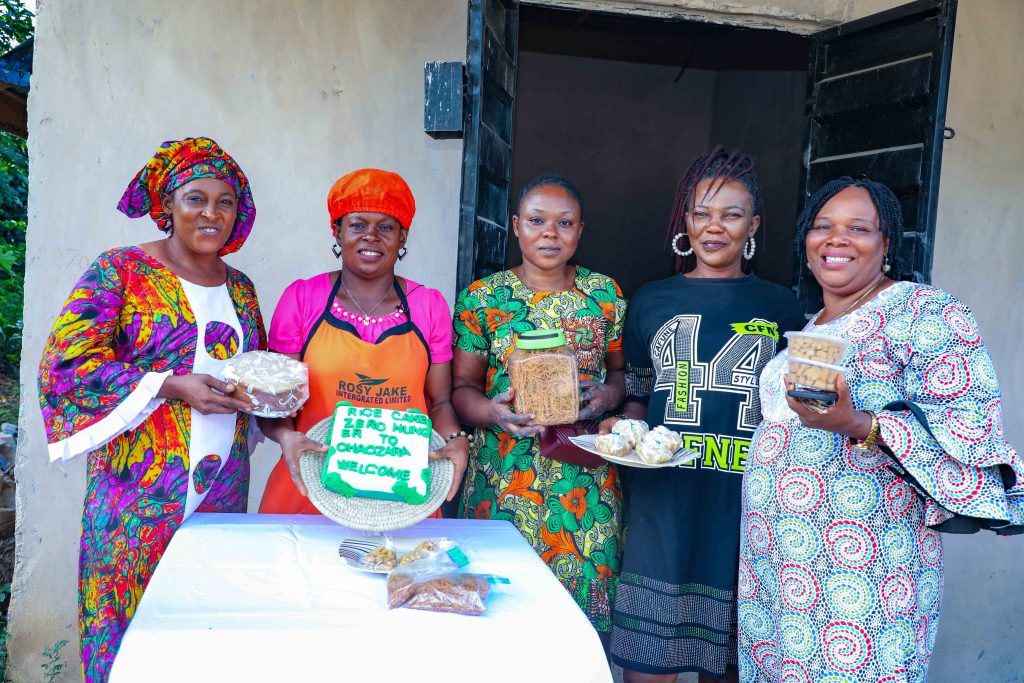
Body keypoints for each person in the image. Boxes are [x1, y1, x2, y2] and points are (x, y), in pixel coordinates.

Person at [737, 177, 1023, 683]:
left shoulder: (925, 312)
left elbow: (971, 428)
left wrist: (858, 423)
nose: (836, 238)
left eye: (859, 229)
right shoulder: (813, 324)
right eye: (822, 226)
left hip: (861, 561)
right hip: (777, 560)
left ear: (886, 243)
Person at [38, 137, 265, 682]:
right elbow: (64, 364)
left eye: (225, 202)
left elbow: (247, 369)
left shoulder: (243, 289)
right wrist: (170, 385)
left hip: (221, 486)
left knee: (205, 623)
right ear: (167, 205)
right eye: (195, 198)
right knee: (128, 625)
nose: (211, 213)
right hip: (137, 491)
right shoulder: (122, 271)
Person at [604, 147, 806, 683]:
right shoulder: (651, 300)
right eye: (701, 213)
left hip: (746, 504)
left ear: (754, 225)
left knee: (733, 666)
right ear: (684, 222)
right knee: (648, 666)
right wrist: (619, 426)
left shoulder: (782, 306)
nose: (714, 227)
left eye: (732, 214)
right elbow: (640, 395)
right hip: (662, 501)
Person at [452, 175, 626, 642]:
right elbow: (462, 389)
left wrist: (609, 396)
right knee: (499, 619)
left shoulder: (604, 295)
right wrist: (495, 413)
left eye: (564, 223)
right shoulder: (483, 299)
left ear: (580, 231)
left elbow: (624, 376)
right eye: (536, 221)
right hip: (502, 479)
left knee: (578, 628)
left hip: (583, 484)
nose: (550, 233)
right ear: (515, 226)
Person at [258, 168, 468, 512]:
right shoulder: (302, 299)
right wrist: (284, 436)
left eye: (385, 227)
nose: (371, 236)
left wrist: (457, 441)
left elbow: (440, 403)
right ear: (337, 231)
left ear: (402, 236)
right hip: (308, 487)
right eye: (357, 225)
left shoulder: (428, 306)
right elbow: (276, 403)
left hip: (401, 497)